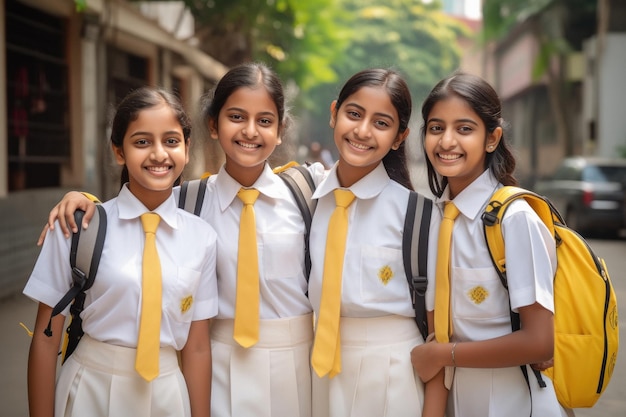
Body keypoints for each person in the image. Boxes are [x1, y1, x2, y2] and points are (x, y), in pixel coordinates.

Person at [38, 62, 326, 417]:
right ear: (213, 125)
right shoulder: (191, 201)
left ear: (280, 130)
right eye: (236, 116)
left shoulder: (309, 192)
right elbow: (136, 210)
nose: (250, 131)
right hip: (216, 366)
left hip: (293, 367)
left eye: (265, 121)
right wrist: (82, 201)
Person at [24, 86, 218, 417]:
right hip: (91, 390)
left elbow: (197, 347)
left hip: (168, 395)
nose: (158, 154)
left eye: (171, 141)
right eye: (142, 142)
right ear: (119, 152)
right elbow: (45, 339)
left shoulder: (202, 237)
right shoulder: (78, 227)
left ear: (187, 148)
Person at [410, 71, 572, 417]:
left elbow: (539, 342)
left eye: (464, 129)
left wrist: (444, 354)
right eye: (436, 128)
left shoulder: (514, 219)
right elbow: (437, 332)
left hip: (512, 402)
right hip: (456, 401)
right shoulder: (436, 219)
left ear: (492, 138)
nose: (447, 141)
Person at [308, 68, 444, 417]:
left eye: (381, 123)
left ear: (400, 137)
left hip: (392, 376)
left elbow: (439, 335)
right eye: (354, 114)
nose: (363, 131)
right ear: (334, 112)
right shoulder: (306, 200)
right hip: (318, 375)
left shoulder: (418, 215)